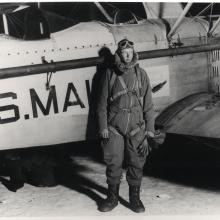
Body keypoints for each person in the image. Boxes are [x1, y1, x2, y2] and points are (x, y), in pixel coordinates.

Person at [97, 38, 155, 213]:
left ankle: (135, 199)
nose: (127, 55)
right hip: (114, 127)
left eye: (130, 52)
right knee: (113, 163)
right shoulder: (109, 73)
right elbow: (101, 103)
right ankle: (112, 198)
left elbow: (149, 105)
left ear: (134, 53)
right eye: (124, 53)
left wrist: (150, 131)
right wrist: (103, 127)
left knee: (136, 163)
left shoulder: (141, 74)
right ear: (119, 54)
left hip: (137, 127)